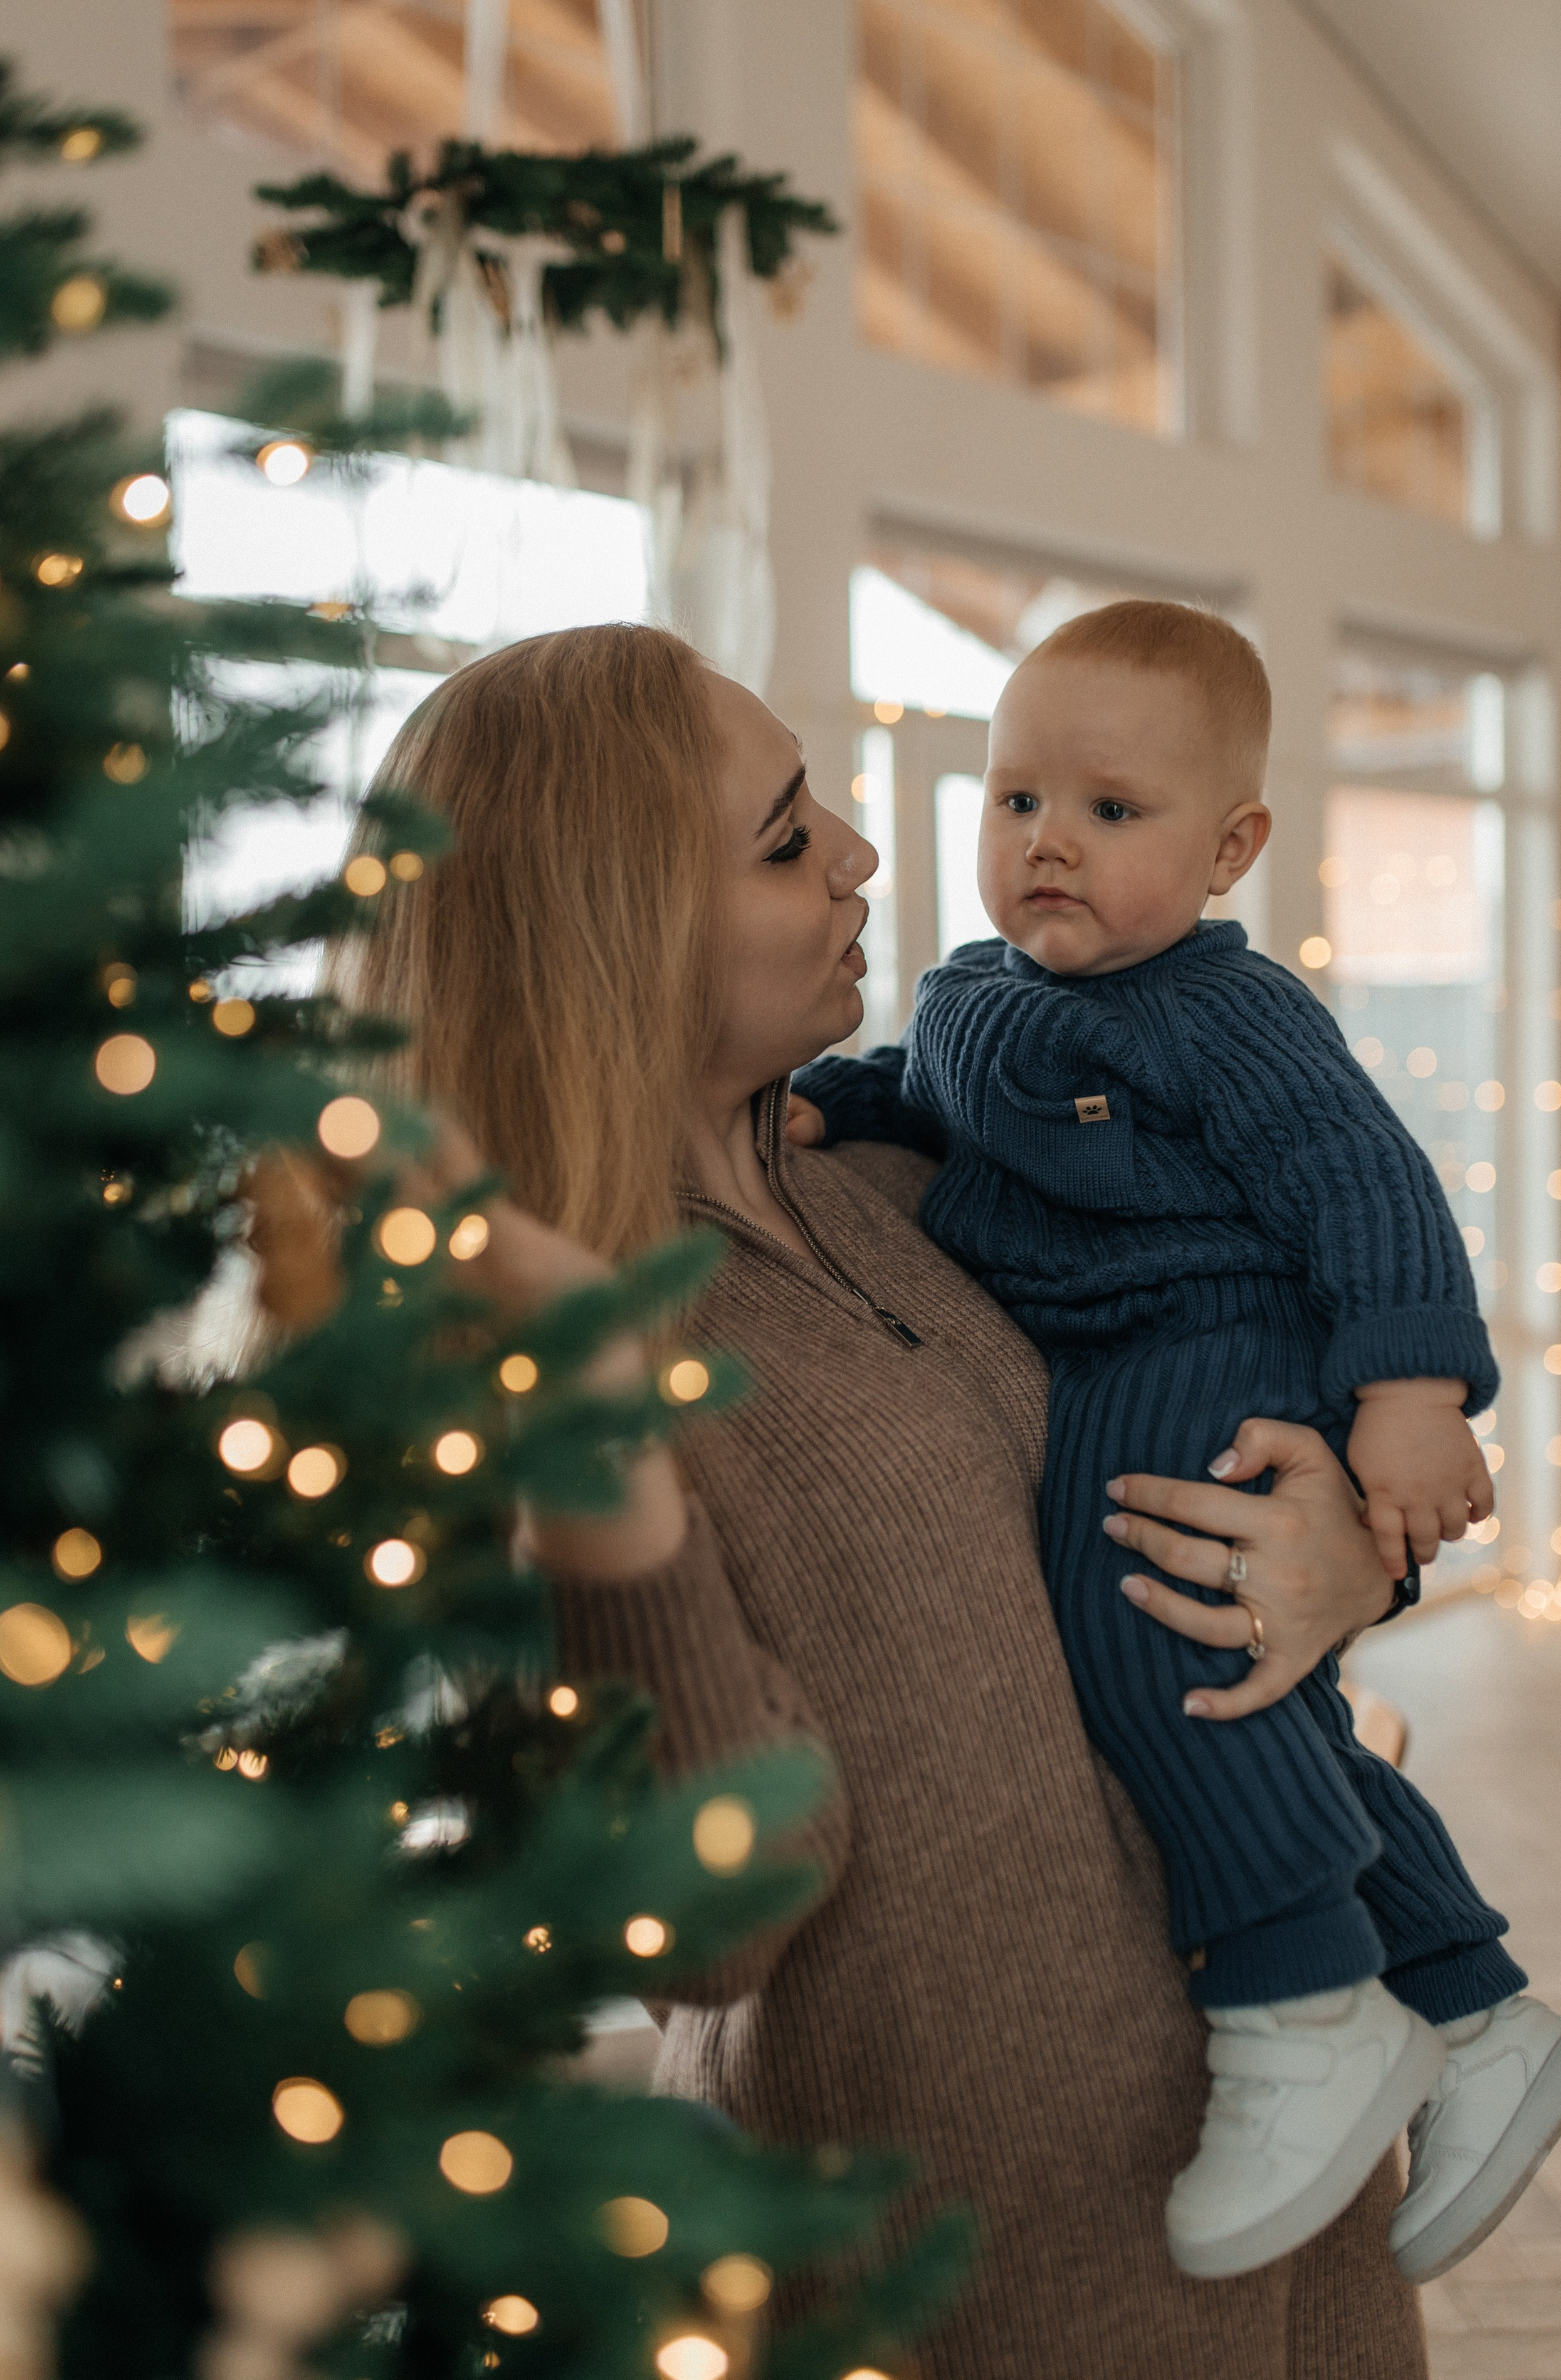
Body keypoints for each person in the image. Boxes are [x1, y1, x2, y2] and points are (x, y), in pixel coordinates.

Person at [340, 621, 1432, 2379]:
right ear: (613, 929)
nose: (859, 852)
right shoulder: (537, 1360)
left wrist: (1342, 1559)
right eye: (784, 839)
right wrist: (597, 1464)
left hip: (1292, 2129)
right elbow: (699, 1926)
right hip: (984, 2267)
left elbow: (1226, 1394)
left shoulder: (921, 1180)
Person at [787, 601, 1561, 2285]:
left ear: (1232, 848)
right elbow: (927, 1092)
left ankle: (1297, 2003)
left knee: (1159, 1627)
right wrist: (832, 1106)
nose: (1049, 843)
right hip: (1098, 1348)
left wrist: (1411, 1397)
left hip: (1209, 1336)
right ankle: (1465, 1997)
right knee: (1252, 1694)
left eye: (1111, 813)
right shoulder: (975, 991)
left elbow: (1371, 1189)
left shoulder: (1228, 1011)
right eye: (1016, 804)